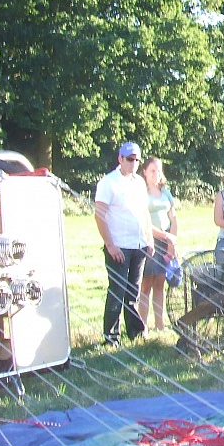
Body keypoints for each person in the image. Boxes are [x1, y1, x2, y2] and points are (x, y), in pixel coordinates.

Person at [94, 142, 154, 345]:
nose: (133, 163)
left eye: (137, 160)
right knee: (117, 291)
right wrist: (110, 245)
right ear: (120, 159)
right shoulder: (108, 183)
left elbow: (144, 212)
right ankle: (111, 336)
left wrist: (149, 239)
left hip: (139, 245)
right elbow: (99, 215)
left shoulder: (139, 183)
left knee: (133, 291)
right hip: (118, 245)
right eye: (130, 159)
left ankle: (135, 332)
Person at [137, 157, 177, 333]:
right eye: (152, 170)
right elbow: (143, 222)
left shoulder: (166, 192)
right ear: (145, 172)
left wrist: (171, 242)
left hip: (166, 242)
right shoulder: (141, 193)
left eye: (159, 170)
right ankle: (142, 326)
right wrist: (164, 235)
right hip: (148, 241)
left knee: (160, 283)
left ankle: (160, 324)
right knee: (146, 285)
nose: (156, 174)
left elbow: (173, 218)